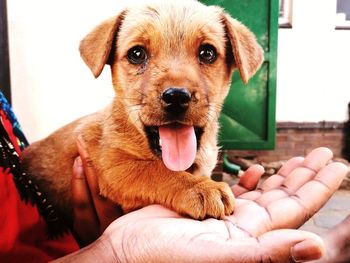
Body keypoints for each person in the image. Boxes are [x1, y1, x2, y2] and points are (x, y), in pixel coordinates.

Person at [0, 91, 348, 262]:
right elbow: (117, 173)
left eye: (206, 53)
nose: (176, 83)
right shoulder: (118, 125)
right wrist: (109, 255)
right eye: (138, 54)